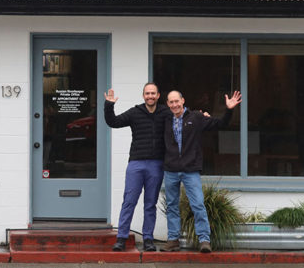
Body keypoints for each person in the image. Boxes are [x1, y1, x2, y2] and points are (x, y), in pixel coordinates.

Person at [161, 90, 242, 253]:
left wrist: (229, 110)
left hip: (190, 170)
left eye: (177, 101)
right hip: (171, 170)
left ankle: (204, 240)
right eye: (171, 102)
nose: (175, 105)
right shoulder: (165, 119)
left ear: (183, 100)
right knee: (172, 206)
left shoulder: (196, 118)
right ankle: (173, 240)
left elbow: (220, 124)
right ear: (168, 104)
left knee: (198, 204)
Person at [103, 83, 169, 252]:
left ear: (158, 95)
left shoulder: (165, 113)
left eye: (153, 93)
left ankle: (148, 239)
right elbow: (113, 122)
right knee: (129, 201)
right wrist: (109, 105)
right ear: (143, 95)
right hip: (136, 163)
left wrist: (201, 115)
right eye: (147, 93)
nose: (150, 96)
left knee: (150, 204)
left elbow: (182, 118)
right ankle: (121, 238)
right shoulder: (135, 112)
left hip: (156, 164)